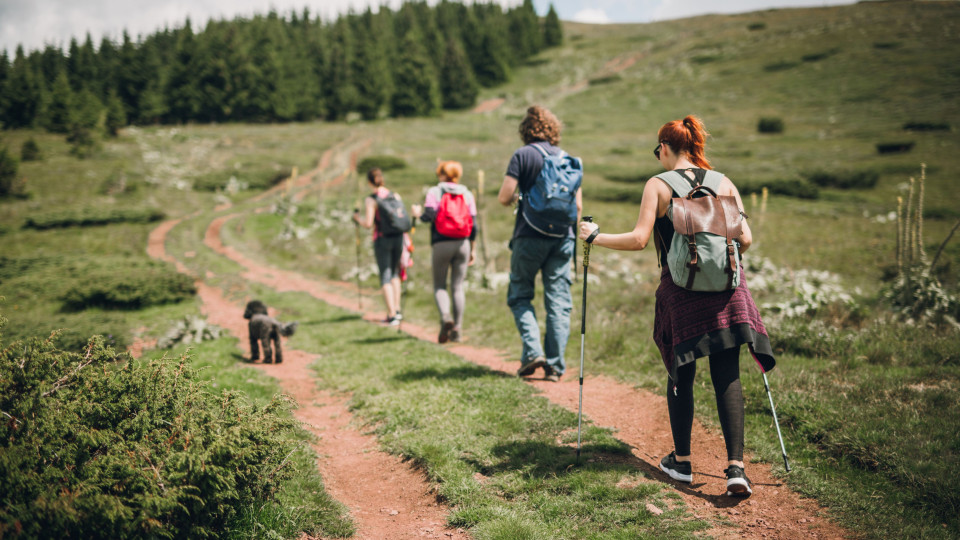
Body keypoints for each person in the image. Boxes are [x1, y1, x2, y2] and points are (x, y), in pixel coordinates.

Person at [577, 115, 775, 497]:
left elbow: (638, 240)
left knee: (681, 371)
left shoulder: (658, 184)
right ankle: (736, 469)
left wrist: (596, 236)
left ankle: (681, 462)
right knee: (727, 374)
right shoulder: (723, 182)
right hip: (726, 293)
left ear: (666, 148)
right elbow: (746, 239)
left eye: (658, 151)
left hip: (682, 293)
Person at [498, 105, 582, 382]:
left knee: (520, 294)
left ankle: (533, 352)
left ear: (526, 130)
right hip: (562, 239)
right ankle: (555, 366)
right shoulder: (568, 159)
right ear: (553, 130)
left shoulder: (523, 155)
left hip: (529, 235)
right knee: (558, 301)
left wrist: (518, 198)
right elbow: (578, 206)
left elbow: (504, 195)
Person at [411, 160, 478, 343]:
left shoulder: (435, 192)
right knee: (458, 287)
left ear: (441, 174)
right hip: (463, 243)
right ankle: (457, 328)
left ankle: (446, 317)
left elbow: (429, 216)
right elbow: (474, 225)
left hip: (441, 243)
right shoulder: (467, 194)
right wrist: (473, 248)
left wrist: (417, 214)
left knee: (440, 286)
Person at [353, 167, 406, 325]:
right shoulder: (395, 195)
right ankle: (397, 310)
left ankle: (391, 315)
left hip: (382, 239)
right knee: (395, 273)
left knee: (385, 275)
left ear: (370, 181)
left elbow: (369, 224)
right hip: (398, 238)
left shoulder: (372, 199)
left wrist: (357, 219)